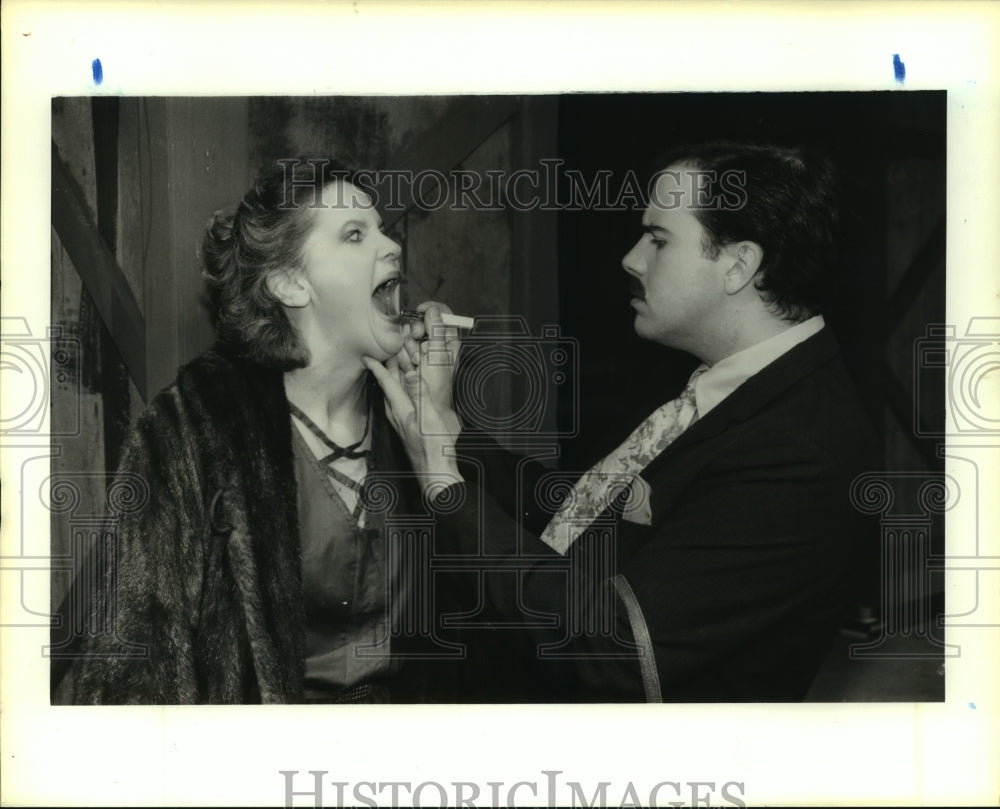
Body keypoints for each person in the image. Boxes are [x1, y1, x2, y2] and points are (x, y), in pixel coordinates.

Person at [366, 141, 878, 702]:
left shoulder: (796, 448)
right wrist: (441, 425)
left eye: (659, 240)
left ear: (739, 265)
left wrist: (443, 482)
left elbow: (614, 650)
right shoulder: (723, 382)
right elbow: (575, 516)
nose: (632, 259)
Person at [73, 158, 461, 704]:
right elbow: (132, 669)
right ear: (289, 283)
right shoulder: (193, 431)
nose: (392, 245)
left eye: (383, 229)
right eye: (355, 234)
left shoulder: (418, 422)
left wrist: (444, 439)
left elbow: (498, 617)